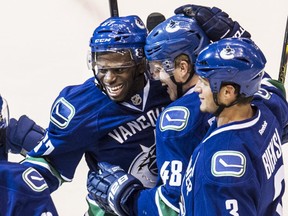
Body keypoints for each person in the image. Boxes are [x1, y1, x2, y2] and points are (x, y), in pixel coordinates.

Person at [85, 7, 257, 216]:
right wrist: (236, 37)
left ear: (183, 68)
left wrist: (124, 195)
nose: (155, 78)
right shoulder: (254, 102)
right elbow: (265, 85)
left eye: (157, 69)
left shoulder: (175, 122)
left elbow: (170, 208)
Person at [0, 15, 172, 216]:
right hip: (111, 210)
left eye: (119, 68)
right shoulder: (82, 106)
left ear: (142, 63)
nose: (109, 78)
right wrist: (10, 183)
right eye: (103, 68)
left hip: (166, 201)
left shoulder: (166, 84)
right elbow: (51, 164)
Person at [179, 37, 288, 215]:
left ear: (228, 92)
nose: (197, 88)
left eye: (204, 83)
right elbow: (274, 89)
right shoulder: (268, 113)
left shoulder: (222, 175)